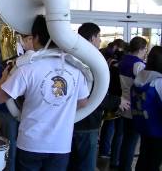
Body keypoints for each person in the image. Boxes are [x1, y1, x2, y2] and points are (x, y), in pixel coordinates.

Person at [0, 15, 90, 171]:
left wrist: (4, 78)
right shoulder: (76, 70)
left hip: (30, 143)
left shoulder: (27, 68)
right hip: (61, 145)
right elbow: (83, 102)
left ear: (36, 37)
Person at [68, 23, 129, 171]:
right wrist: (117, 101)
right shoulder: (91, 61)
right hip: (87, 123)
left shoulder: (72, 57)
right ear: (92, 37)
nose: (100, 41)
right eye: (99, 36)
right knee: (86, 165)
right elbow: (95, 95)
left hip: (70, 121)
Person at [0, 33, 34, 171]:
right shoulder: (9, 63)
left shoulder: (30, 62)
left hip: (22, 110)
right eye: (28, 39)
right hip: (8, 110)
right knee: (12, 145)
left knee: (20, 145)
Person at [131, 46, 162, 171]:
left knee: (144, 158)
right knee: (154, 162)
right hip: (158, 128)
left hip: (143, 125)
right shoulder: (159, 81)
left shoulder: (141, 75)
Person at [118, 36, 147, 171]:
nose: (145, 51)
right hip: (134, 107)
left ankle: (122, 165)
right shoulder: (138, 65)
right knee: (131, 142)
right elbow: (144, 85)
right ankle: (126, 167)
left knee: (126, 140)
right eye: (145, 48)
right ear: (141, 49)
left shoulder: (124, 61)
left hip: (124, 103)